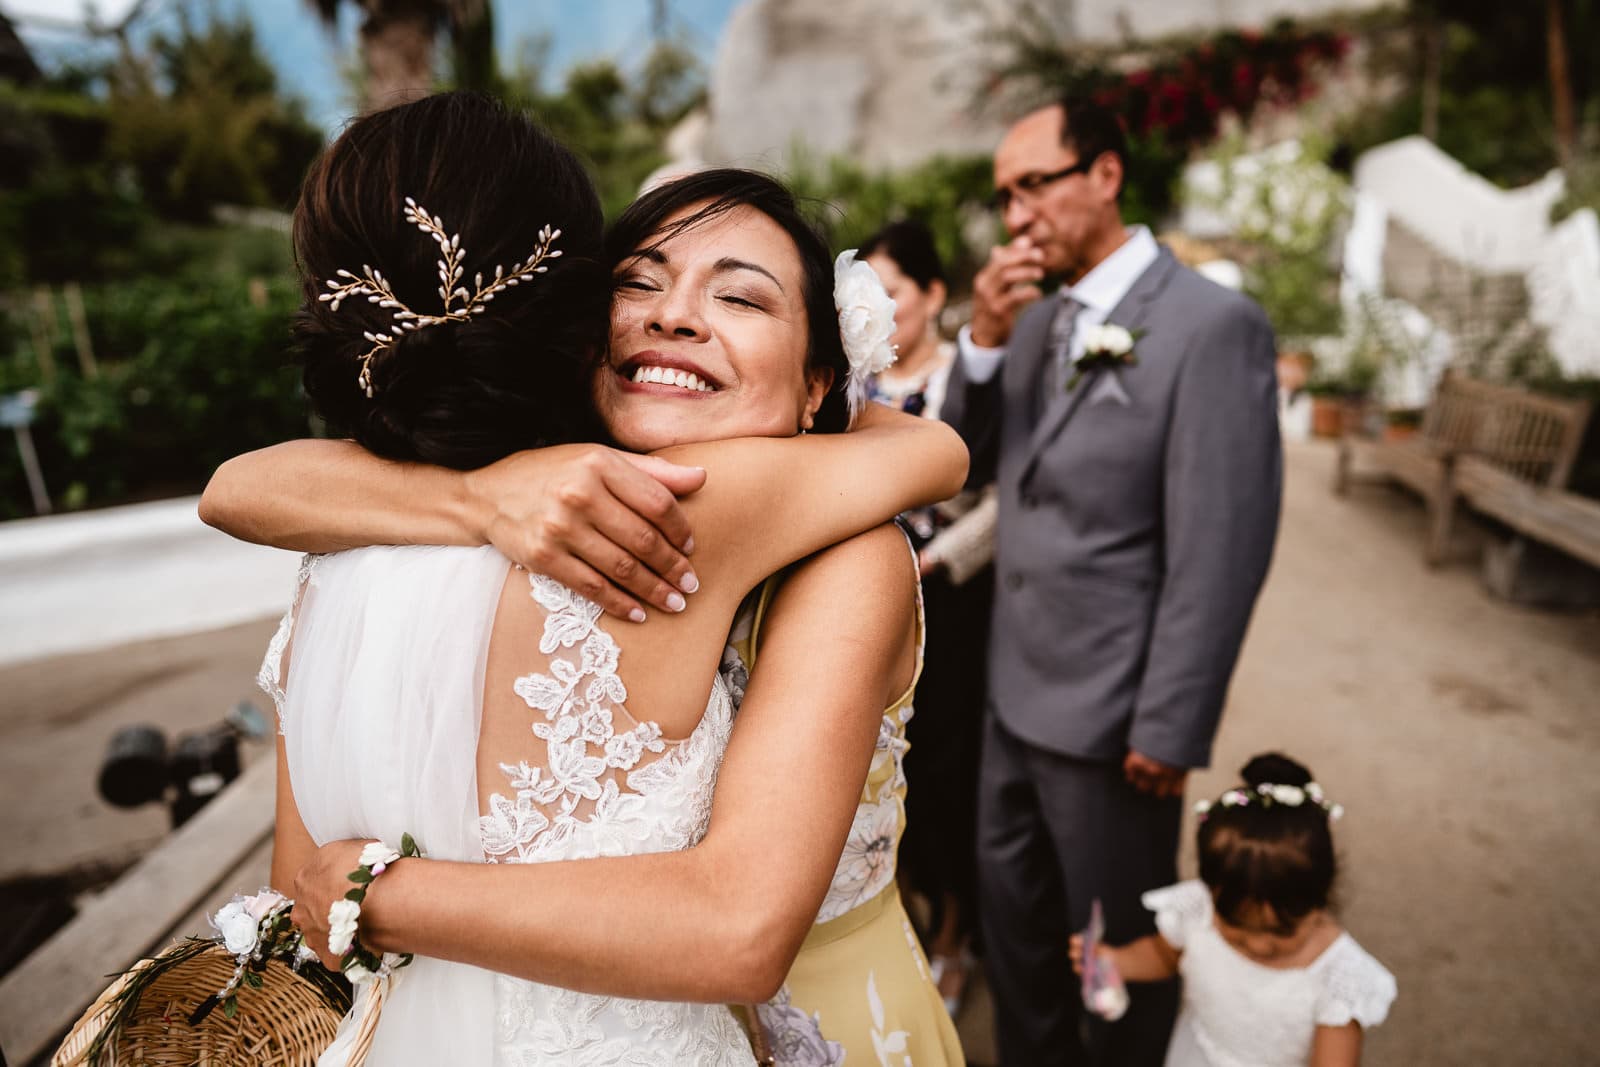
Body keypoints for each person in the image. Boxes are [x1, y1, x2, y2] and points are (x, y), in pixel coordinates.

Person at [204, 155, 968, 1062]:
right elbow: (241, 484)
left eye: (742, 299)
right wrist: (485, 496)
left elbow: (740, 925)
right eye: (636, 283)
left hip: (832, 1025)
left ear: (816, 385)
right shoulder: (544, 496)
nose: (673, 313)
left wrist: (377, 895)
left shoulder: (849, 557)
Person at [939, 97, 1283, 1065]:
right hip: (1010, 695)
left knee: (1118, 958)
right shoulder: (1037, 316)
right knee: (1017, 940)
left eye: (1032, 186)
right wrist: (984, 339)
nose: (1014, 217)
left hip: (1113, 720)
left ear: (1104, 174)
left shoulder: (1213, 326)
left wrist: (1170, 720)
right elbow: (963, 460)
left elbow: (1221, 544)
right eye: (1004, 196)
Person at [860, 220, 995, 1016]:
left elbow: (1003, 495)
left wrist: (938, 562)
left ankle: (955, 933)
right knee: (879, 764)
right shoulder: (852, 382)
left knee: (945, 772)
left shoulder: (965, 379)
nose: (880, 308)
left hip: (947, 596)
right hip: (867, 599)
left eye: (896, 291)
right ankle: (900, 912)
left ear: (935, 295)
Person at [1070, 754, 1396, 1066]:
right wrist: (1112, 960)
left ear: (1319, 900)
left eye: (1281, 931)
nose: (1258, 945)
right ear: (1211, 893)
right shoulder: (1197, 912)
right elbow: (1164, 955)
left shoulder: (1339, 980)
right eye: (1236, 931)